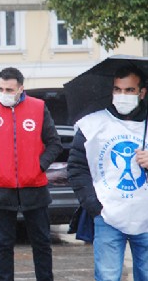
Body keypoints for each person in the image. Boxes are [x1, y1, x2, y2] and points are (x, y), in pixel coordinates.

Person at [0, 67, 62, 281]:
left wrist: (38, 166)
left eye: (9, 89)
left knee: (41, 243)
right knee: (3, 245)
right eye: (1, 88)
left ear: (21, 88)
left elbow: (54, 143)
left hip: (35, 187)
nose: (4, 93)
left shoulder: (39, 108)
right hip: (1, 188)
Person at [68, 65, 148, 281]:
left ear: (142, 92)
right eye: (117, 89)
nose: (122, 96)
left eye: (129, 90)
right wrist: (95, 207)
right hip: (108, 217)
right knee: (107, 276)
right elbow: (76, 168)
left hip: (146, 218)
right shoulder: (93, 124)